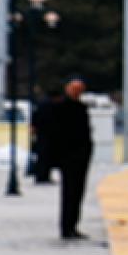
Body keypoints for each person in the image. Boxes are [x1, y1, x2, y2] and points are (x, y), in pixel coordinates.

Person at [48, 77, 94, 240]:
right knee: (70, 192)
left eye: (79, 90)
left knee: (77, 191)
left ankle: (72, 225)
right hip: (69, 156)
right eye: (75, 89)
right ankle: (68, 226)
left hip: (78, 156)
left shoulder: (80, 108)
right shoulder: (61, 108)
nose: (77, 93)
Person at [28, 83, 62, 184]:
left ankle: (41, 175)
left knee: (42, 156)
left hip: (41, 133)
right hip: (49, 134)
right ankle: (43, 176)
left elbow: (35, 117)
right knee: (46, 157)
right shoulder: (51, 105)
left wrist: (34, 127)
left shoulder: (41, 103)